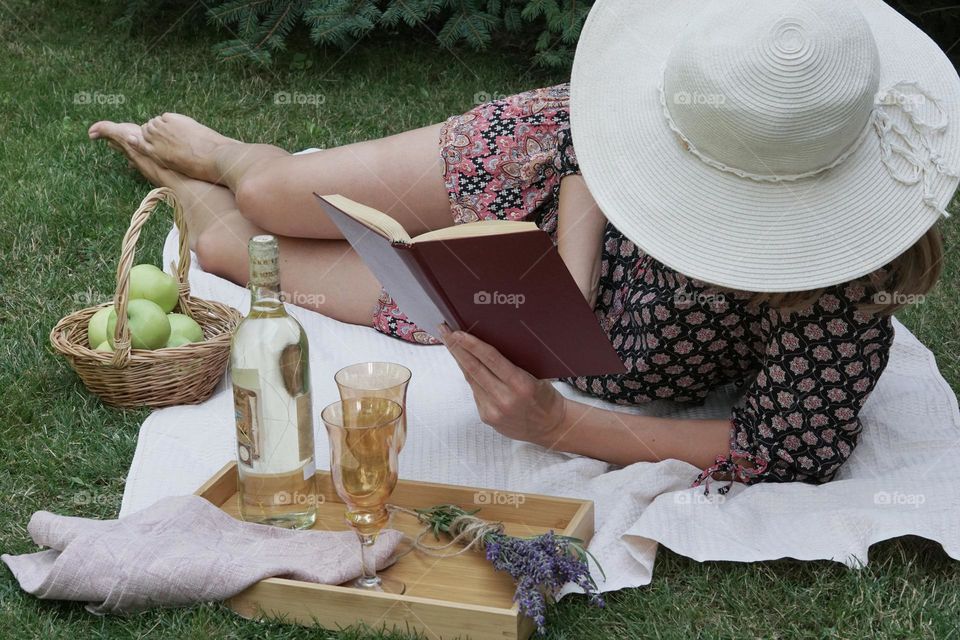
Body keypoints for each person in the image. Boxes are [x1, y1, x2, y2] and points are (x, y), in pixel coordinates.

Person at [89, 0, 959, 489]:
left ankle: (185, 185)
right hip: (540, 174)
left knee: (244, 254)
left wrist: (561, 422)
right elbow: (590, 141)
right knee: (278, 192)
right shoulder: (720, 82)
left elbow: (781, 448)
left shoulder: (843, 293)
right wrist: (566, 283)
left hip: (512, 308)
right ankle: (237, 157)